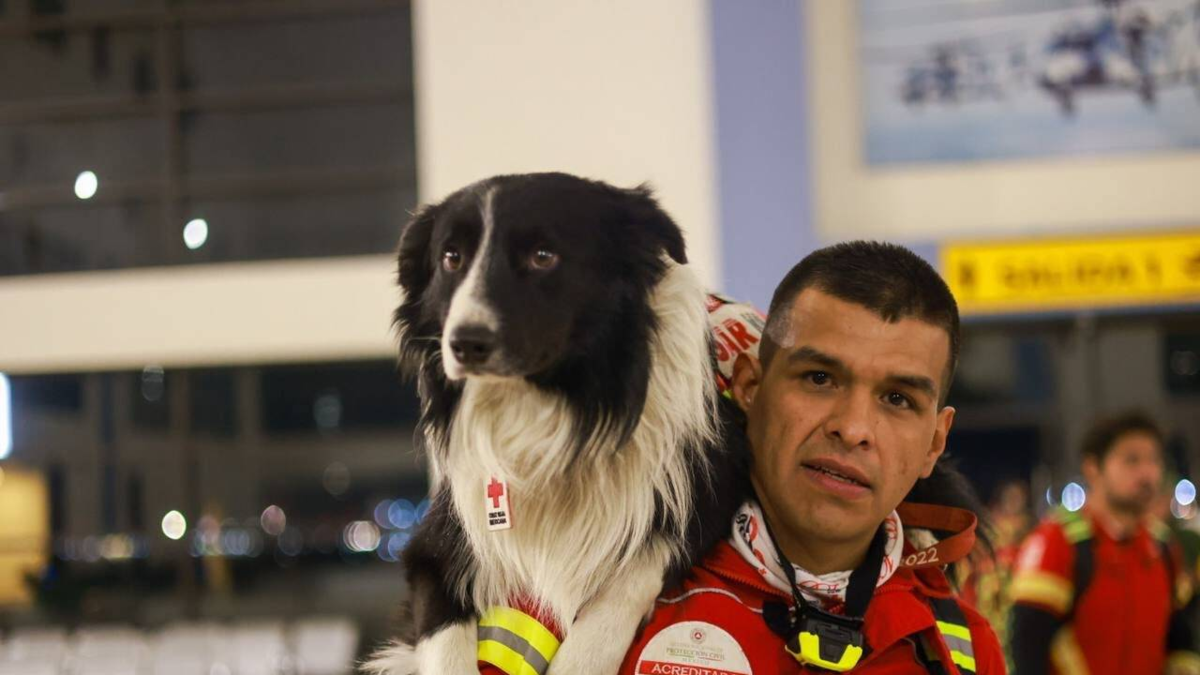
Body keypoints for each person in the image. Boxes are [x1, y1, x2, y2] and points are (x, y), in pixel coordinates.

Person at [616, 241, 1005, 674]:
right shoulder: (610, 602)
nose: (853, 429)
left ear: (934, 443)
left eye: (897, 399)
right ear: (749, 387)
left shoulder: (964, 652)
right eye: (820, 378)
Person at [1009, 411, 1200, 675]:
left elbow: (1179, 633)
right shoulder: (1058, 541)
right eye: (1132, 460)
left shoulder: (1161, 546)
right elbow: (1028, 644)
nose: (1147, 473)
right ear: (1093, 468)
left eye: (1154, 460)